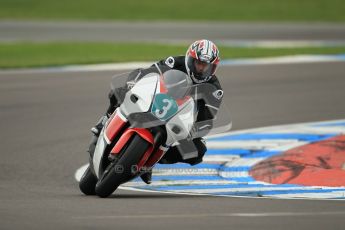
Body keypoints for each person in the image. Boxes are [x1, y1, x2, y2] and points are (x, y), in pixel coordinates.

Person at [89, 39, 223, 184]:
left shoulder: (214, 89)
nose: (202, 69)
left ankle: (152, 161)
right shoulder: (175, 62)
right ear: (190, 60)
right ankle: (104, 121)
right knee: (119, 92)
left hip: (178, 119)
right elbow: (147, 73)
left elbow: (207, 120)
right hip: (154, 99)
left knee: (198, 151)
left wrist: (194, 131)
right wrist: (132, 83)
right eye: (199, 64)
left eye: (207, 66)